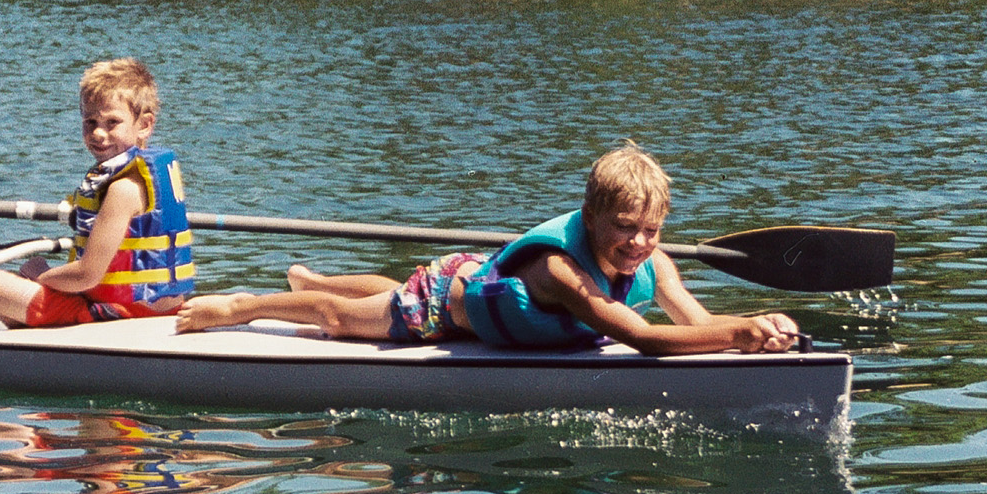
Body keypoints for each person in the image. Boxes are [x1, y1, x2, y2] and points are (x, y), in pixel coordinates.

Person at [176, 142, 799, 356]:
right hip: (444, 307)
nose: (638, 244)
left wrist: (756, 330)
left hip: (468, 281)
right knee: (343, 321)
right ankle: (245, 306)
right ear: (591, 217)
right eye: (624, 227)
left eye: (651, 231)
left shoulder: (654, 259)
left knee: (395, 287)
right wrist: (738, 334)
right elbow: (642, 337)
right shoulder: (559, 270)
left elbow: (696, 324)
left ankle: (308, 274)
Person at [0, 59, 195, 327]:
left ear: (145, 124)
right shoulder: (135, 177)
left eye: (112, 122)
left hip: (126, 316)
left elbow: (87, 276)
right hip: (154, 308)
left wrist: (42, 274)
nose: (98, 133)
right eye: (90, 121)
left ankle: (52, 347)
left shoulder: (123, 188)